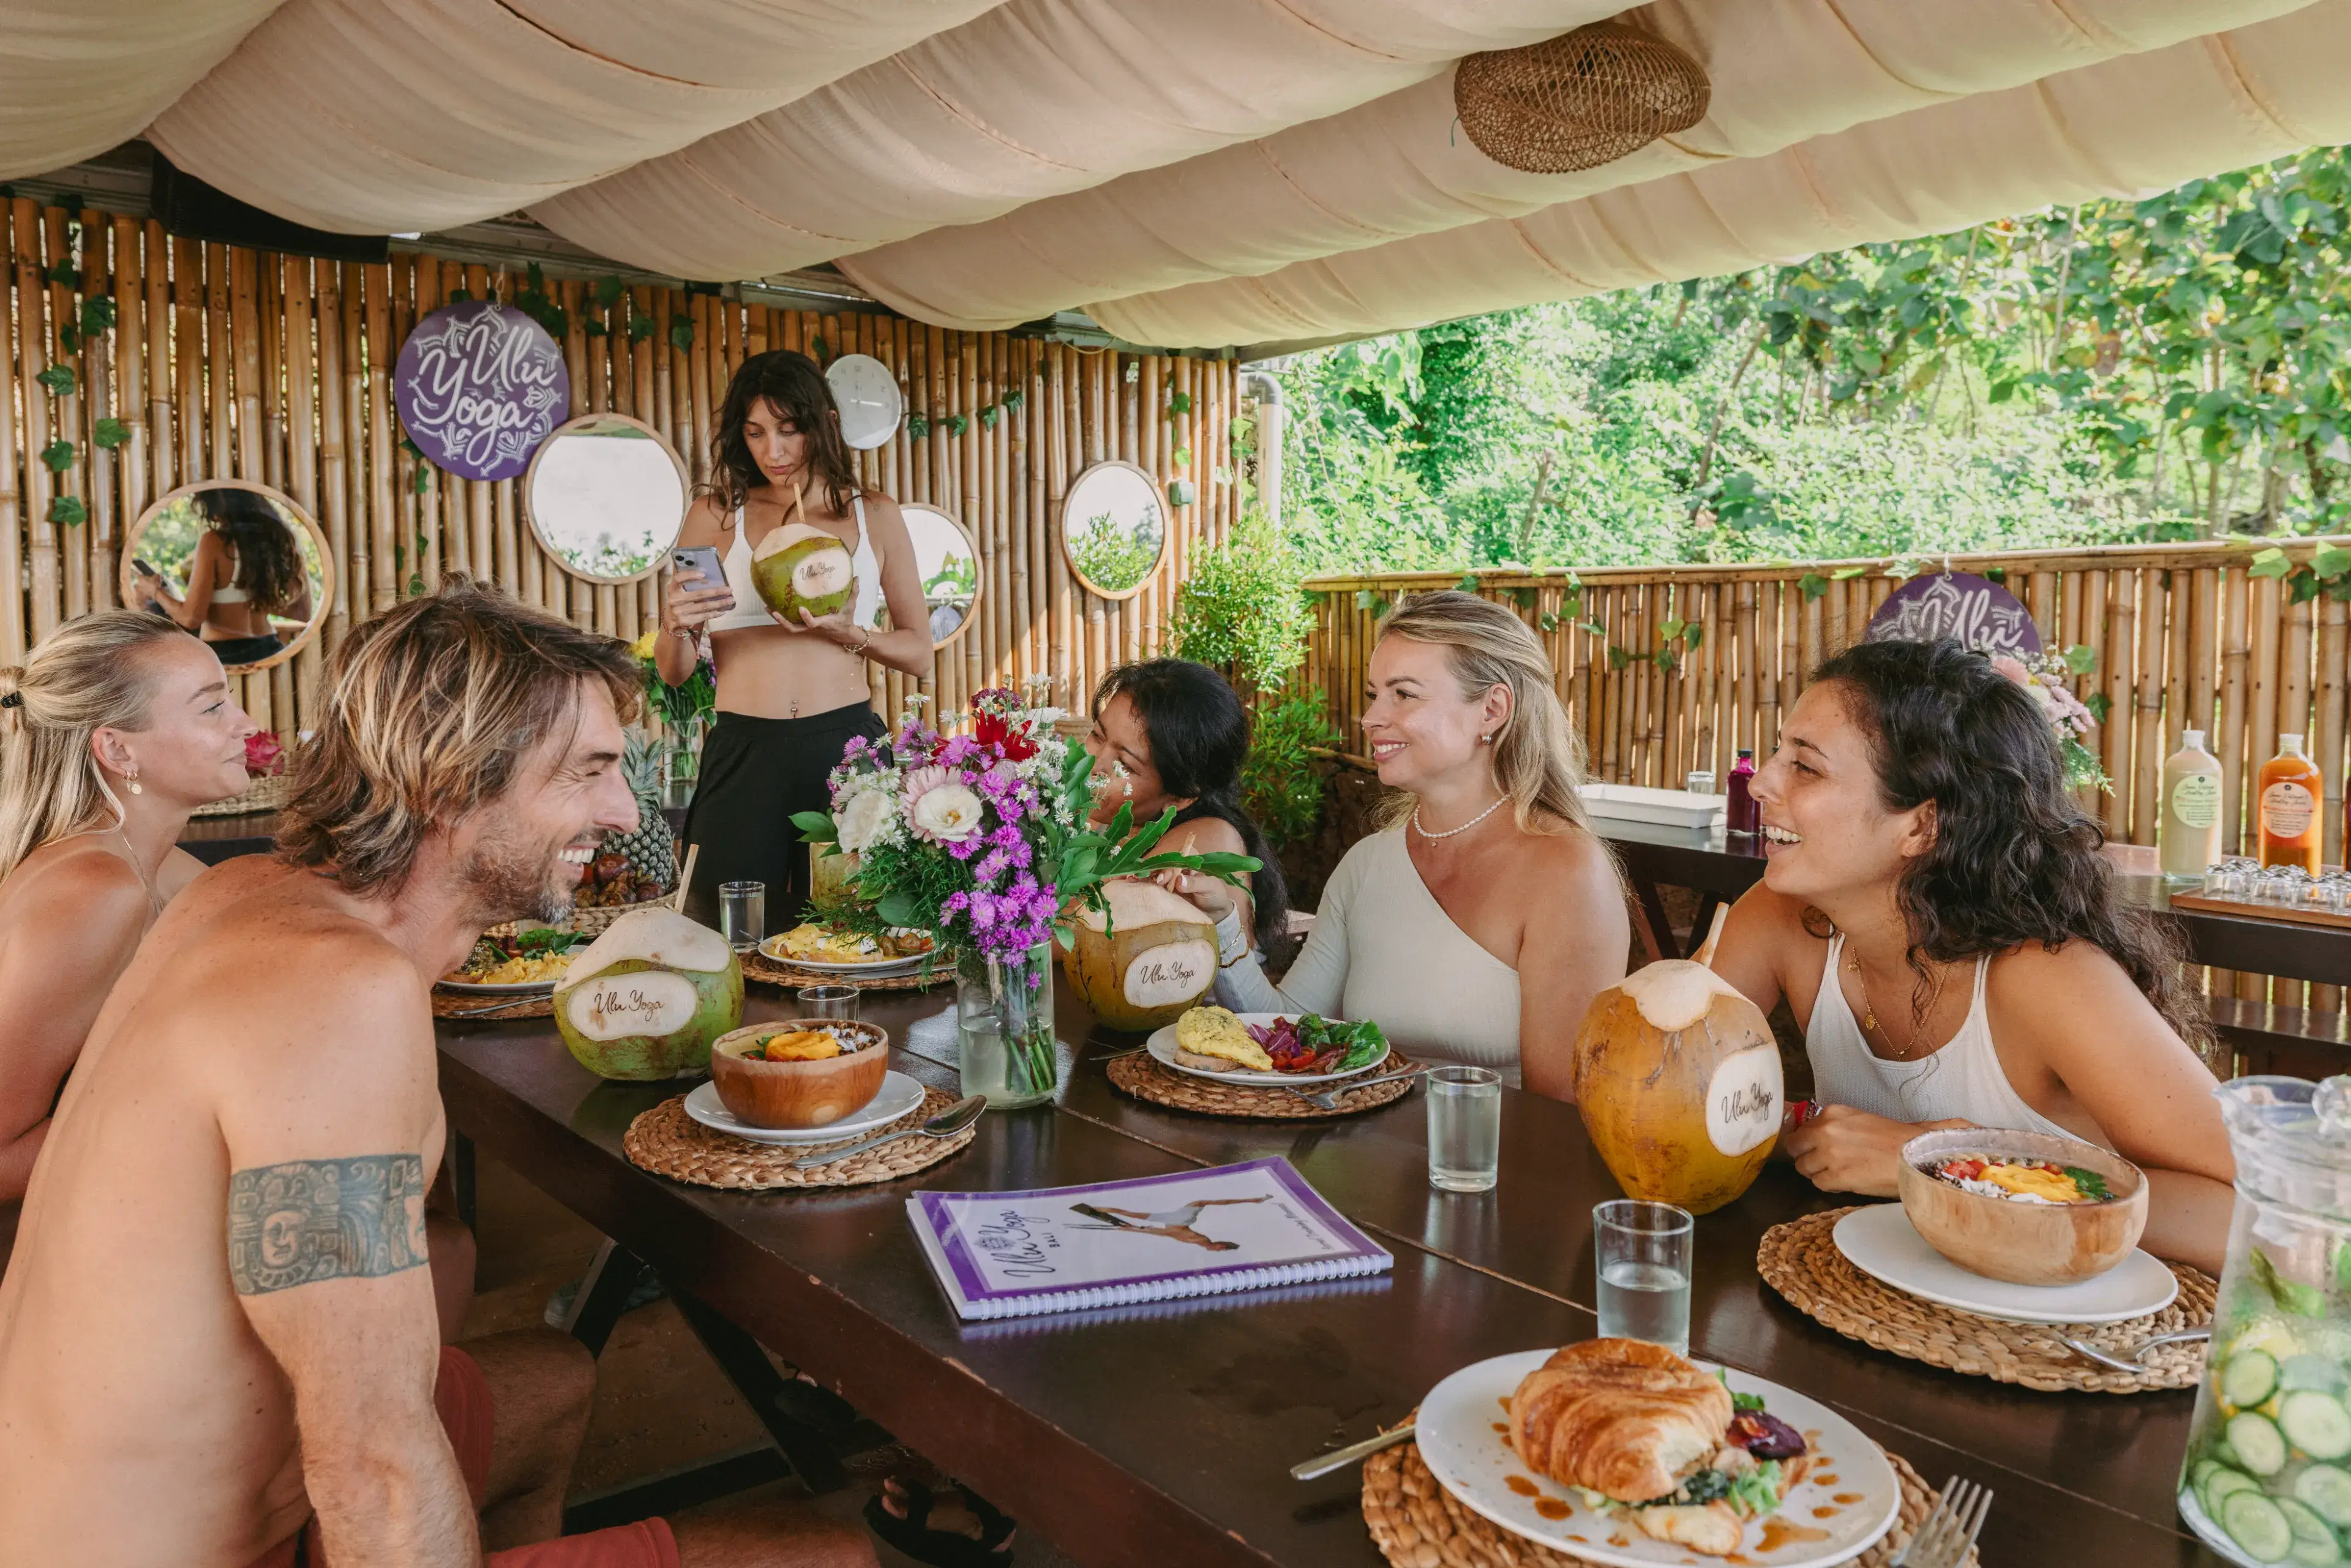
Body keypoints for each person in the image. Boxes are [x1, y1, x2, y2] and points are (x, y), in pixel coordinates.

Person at [0, 578, 874, 1568]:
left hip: (85, 1505)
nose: (623, 807)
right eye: (587, 771)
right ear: (454, 782)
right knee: (821, 1556)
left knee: (552, 1382)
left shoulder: (249, 891)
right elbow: (372, 1464)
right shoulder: (339, 996)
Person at [1707, 637, 2235, 1274]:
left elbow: (2254, 1212)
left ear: (1921, 826)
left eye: (1806, 767)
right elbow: (1680, 1098)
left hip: (2071, 1338)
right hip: (1884, 1307)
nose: (1761, 781)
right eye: (1777, 753)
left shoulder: (2048, 977)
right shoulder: (1780, 916)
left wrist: (1940, 1162)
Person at [1160, 591, 1628, 1092]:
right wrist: (1223, 925)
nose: (1370, 718)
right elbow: (1287, 1028)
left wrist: (1383, 1078)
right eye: (1374, 693)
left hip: (1483, 1167)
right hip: (1354, 1159)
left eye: (1403, 694)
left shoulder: (1568, 873)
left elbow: (1558, 1116)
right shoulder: (1367, 865)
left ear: (1492, 709)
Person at [0, 612, 255, 1266]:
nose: (245, 723)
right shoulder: (95, 891)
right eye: (212, 707)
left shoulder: (154, 859)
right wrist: (206, 1126)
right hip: (56, 1251)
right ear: (117, 750)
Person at [656, 351, 934, 922]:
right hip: (743, 750)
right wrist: (674, 624)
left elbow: (919, 651)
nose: (773, 452)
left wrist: (850, 634)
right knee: (723, 935)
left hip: (847, 750)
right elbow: (674, 670)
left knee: (860, 931)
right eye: (755, 433)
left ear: (824, 423)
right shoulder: (713, 515)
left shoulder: (872, 515)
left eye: (789, 429)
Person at [1086, 659, 1292, 962]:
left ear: (1180, 797)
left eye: (1125, 765)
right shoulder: (1103, 819)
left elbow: (1080, 932)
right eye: (1098, 736)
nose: (1095, 765)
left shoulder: (1205, 841)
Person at [133, 486, 315, 666]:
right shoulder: (280, 540)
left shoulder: (215, 541)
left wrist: (154, 591)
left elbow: (191, 619)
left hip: (224, 654)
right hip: (270, 648)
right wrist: (259, 600)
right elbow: (303, 613)